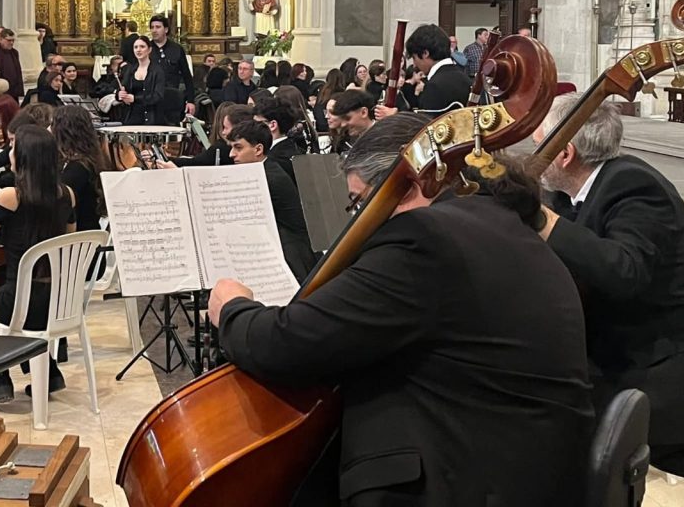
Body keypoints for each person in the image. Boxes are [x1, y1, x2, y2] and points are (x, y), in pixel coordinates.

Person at [208, 114, 594, 506]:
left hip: (469, 482)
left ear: (411, 184)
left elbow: (287, 343)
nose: (360, 223)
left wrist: (233, 308)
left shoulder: (425, 240)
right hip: (526, 469)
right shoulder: (499, 222)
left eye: (361, 202)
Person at [532, 94, 684, 476]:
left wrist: (543, 221)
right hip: (612, 350)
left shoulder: (632, 184)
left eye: (539, 145)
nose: (534, 156)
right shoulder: (566, 194)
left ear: (565, 153)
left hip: (660, 366)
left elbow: (625, 270)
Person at [0, 125, 76, 400]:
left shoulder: (10, 196)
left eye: (13, 148)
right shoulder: (68, 194)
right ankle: (49, 373)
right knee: (10, 293)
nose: (9, 153)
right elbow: (70, 241)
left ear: (24, 157)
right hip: (59, 301)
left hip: (20, 303)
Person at [225, 120, 317, 282]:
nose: (231, 154)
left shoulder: (267, 178)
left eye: (238, 148)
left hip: (292, 259)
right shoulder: (266, 169)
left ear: (258, 149)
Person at [375, 24, 470, 119]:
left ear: (425, 53)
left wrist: (395, 117)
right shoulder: (466, 79)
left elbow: (426, 125)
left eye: (414, 58)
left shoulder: (434, 86)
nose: (414, 65)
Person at [51, 106, 108, 232]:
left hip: (79, 234)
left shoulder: (77, 169)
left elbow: (61, 204)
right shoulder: (90, 159)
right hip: (87, 230)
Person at [158, 103, 254, 169]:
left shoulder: (221, 148)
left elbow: (196, 163)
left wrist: (171, 165)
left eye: (225, 127)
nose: (231, 154)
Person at [148, 14, 196, 124]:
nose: (154, 30)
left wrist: (190, 101)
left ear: (166, 29)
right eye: (152, 27)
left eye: (158, 27)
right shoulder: (146, 48)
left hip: (172, 99)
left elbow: (187, 76)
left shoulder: (177, 49)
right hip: (152, 99)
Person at [117, 36, 165, 125]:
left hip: (151, 117)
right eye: (135, 47)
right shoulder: (130, 69)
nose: (138, 50)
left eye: (142, 47)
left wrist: (135, 99)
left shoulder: (157, 71)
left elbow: (158, 96)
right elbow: (122, 88)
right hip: (131, 116)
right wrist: (119, 94)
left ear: (149, 50)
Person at [252, 96, 301, 183]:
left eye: (256, 124)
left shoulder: (276, 159)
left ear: (272, 125)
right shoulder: (295, 149)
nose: (252, 128)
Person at [325, 89, 375, 154]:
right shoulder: (345, 140)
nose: (343, 124)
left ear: (363, 112)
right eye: (342, 118)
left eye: (347, 118)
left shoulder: (384, 138)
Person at [0, 28, 24, 99]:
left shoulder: (14, 53)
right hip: (0, 89)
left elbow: (18, 72)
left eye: (13, 40)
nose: (11, 43)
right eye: (8, 40)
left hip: (13, 90)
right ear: (1, 40)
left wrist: (20, 90)